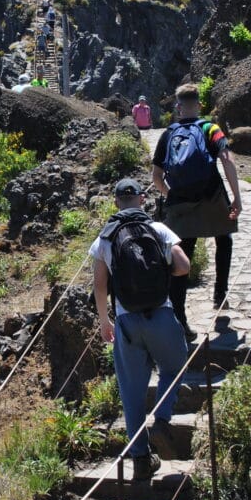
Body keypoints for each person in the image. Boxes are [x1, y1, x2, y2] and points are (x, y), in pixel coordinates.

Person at [90, 178, 191, 479]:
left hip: (126, 322)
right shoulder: (158, 229)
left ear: (116, 202)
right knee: (174, 366)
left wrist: (104, 320)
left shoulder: (105, 238)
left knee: (131, 393)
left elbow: (99, 285)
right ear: (142, 198)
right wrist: (163, 270)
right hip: (161, 314)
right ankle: (161, 421)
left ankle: (141, 461)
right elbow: (184, 265)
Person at [152, 82, 243, 339]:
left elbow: (156, 176)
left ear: (178, 107)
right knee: (224, 237)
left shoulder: (168, 134)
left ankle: (180, 318)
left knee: (182, 258)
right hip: (212, 197)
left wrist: (172, 195)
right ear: (199, 105)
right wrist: (236, 197)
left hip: (180, 203)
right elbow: (227, 158)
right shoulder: (209, 128)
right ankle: (220, 293)